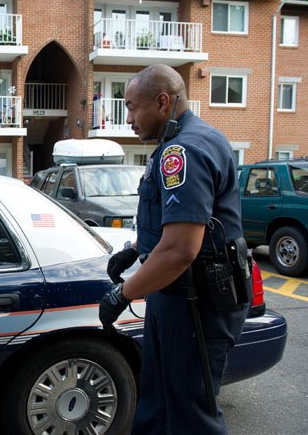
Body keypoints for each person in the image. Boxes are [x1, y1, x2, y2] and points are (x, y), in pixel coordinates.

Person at [99, 64, 248, 435]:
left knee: (188, 416)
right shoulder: (187, 142)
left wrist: (123, 293)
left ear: (163, 102)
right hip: (179, 299)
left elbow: (181, 249)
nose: (129, 119)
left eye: (133, 107)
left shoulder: (184, 151)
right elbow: (180, 220)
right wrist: (137, 248)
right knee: (159, 406)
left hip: (194, 305)